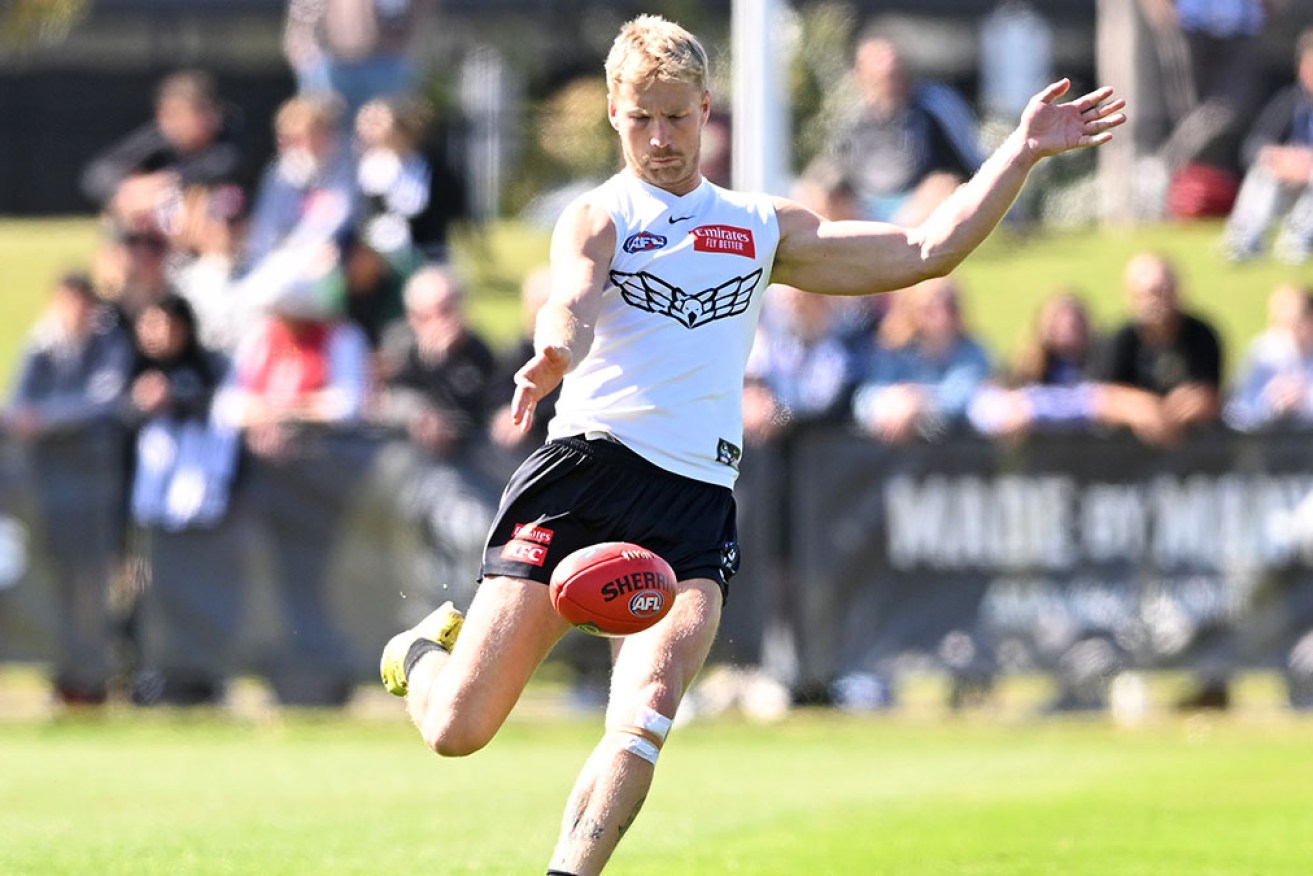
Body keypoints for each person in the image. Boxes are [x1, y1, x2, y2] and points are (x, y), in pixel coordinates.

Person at [376, 15, 1124, 874]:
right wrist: (555, 350)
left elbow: (924, 249)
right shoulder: (597, 216)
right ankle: (422, 651)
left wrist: (1019, 153)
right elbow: (572, 301)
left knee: (648, 708)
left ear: (705, 110)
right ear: (615, 116)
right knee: (456, 730)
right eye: (639, 120)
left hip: (695, 501)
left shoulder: (756, 225)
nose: (659, 139)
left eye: (676, 118)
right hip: (586, 473)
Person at [1, 272, 135, 705]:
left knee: (93, 589)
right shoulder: (43, 344)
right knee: (54, 585)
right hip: (48, 496)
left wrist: (50, 421)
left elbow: (105, 401)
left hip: (96, 493)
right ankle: (66, 678)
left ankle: (94, 677)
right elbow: (19, 406)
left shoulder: (107, 343)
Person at [822, 30, 984, 226]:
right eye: (881, 78)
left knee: (943, 187)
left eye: (895, 74)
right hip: (862, 204)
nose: (891, 83)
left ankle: (901, 243)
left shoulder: (936, 103)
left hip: (917, 202)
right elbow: (833, 164)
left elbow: (970, 159)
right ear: (862, 75)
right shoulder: (850, 114)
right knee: (815, 194)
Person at [79, 69, 246, 240]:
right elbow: (98, 172)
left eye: (180, 115)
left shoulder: (231, 137)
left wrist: (162, 186)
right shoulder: (159, 138)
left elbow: (224, 165)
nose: (172, 123)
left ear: (207, 112)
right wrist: (129, 189)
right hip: (157, 241)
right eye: (167, 115)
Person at [1089, 251, 1224, 447]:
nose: (1157, 301)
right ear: (1131, 297)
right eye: (1148, 293)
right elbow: (1103, 396)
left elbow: (1208, 394)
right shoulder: (1119, 339)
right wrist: (1141, 408)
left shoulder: (1203, 334)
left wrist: (1171, 413)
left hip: (1192, 450)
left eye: (1163, 291)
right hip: (1125, 453)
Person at [851, 276, 992, 444]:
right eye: (930, 309)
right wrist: (888, 404)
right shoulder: (894, 350)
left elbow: (963, 397)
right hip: (893, 455)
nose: (941, 315)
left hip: (954, 453)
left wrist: (919, 402)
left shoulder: (972, 353)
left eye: (948, 306)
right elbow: (866, 397)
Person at [1221, 28, 1313, 263]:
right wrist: (1280, 157)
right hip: (1290, 179)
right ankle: (1245, 241)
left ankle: (1299, 241)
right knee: (1263, 170)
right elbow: (1253, 147)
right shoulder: (1290, 102)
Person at [1224, 282, 1313, 430]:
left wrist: (1304, 400)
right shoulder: (1261, 354)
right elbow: (1237, 412)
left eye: (1298, 322)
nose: (1291, 332)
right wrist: (1272, 402)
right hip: (1269, 444)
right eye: (1282, 323)